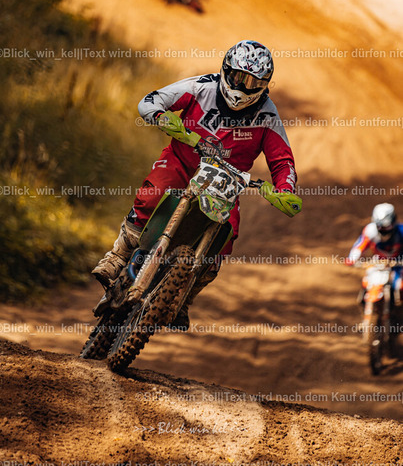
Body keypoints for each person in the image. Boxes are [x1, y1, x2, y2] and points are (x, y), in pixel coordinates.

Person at [92, 40, 300, 329]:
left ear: (265, 85)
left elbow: (282, 160)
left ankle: (184, 298)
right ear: (226, 70)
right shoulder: (201, 87)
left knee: (225, 237)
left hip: (225, 181)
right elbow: (149, 102)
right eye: (239, 77)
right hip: (182, 161)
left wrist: (284, 190)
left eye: (254, 82)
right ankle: (117, 257)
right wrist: (167, 120)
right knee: (152, 195)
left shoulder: (267, 114)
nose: (244, 87)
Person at [346, 203, 403, 307]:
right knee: (367, 282)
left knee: (400, 286)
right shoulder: (370, 231)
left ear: (393, 221)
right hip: (377, 263)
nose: (383, 230)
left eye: (386, 226)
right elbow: (359, 246)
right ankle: (364, 301)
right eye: (379, 226)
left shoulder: (401, 232)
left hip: (398, 264)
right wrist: (352, 259)